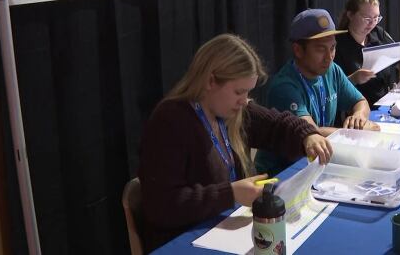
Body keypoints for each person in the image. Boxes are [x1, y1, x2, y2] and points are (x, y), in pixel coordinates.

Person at [138, 34, 333, 252]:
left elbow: (278, 124)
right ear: (210, 81)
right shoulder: (170, 122)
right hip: (186, 240)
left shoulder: (231, 111)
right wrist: (229, 194)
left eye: (248, 92)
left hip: (226, 230)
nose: (244, 101)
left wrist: (308, 135)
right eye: (239, 92)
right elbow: (163, 205)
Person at [255, 9, 378, 175]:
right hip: (282, 174)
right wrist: (355, 133)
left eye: (333, 48)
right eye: (320, 50)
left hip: (316, 164)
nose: (329, 57)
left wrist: (359, 118)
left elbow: (360, 102)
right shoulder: (284, 87)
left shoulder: (332, 70)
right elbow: (311, 133)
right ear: (298, 50)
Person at [334, 0, 400, 105]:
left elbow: (399, 60)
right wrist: (354, 79)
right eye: (367, 19)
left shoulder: (378, 33)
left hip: (386, 102)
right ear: (350, 15)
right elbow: (330, 89)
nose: (372, 23)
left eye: (376, 18)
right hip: (358, 109)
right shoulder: (337, 45)